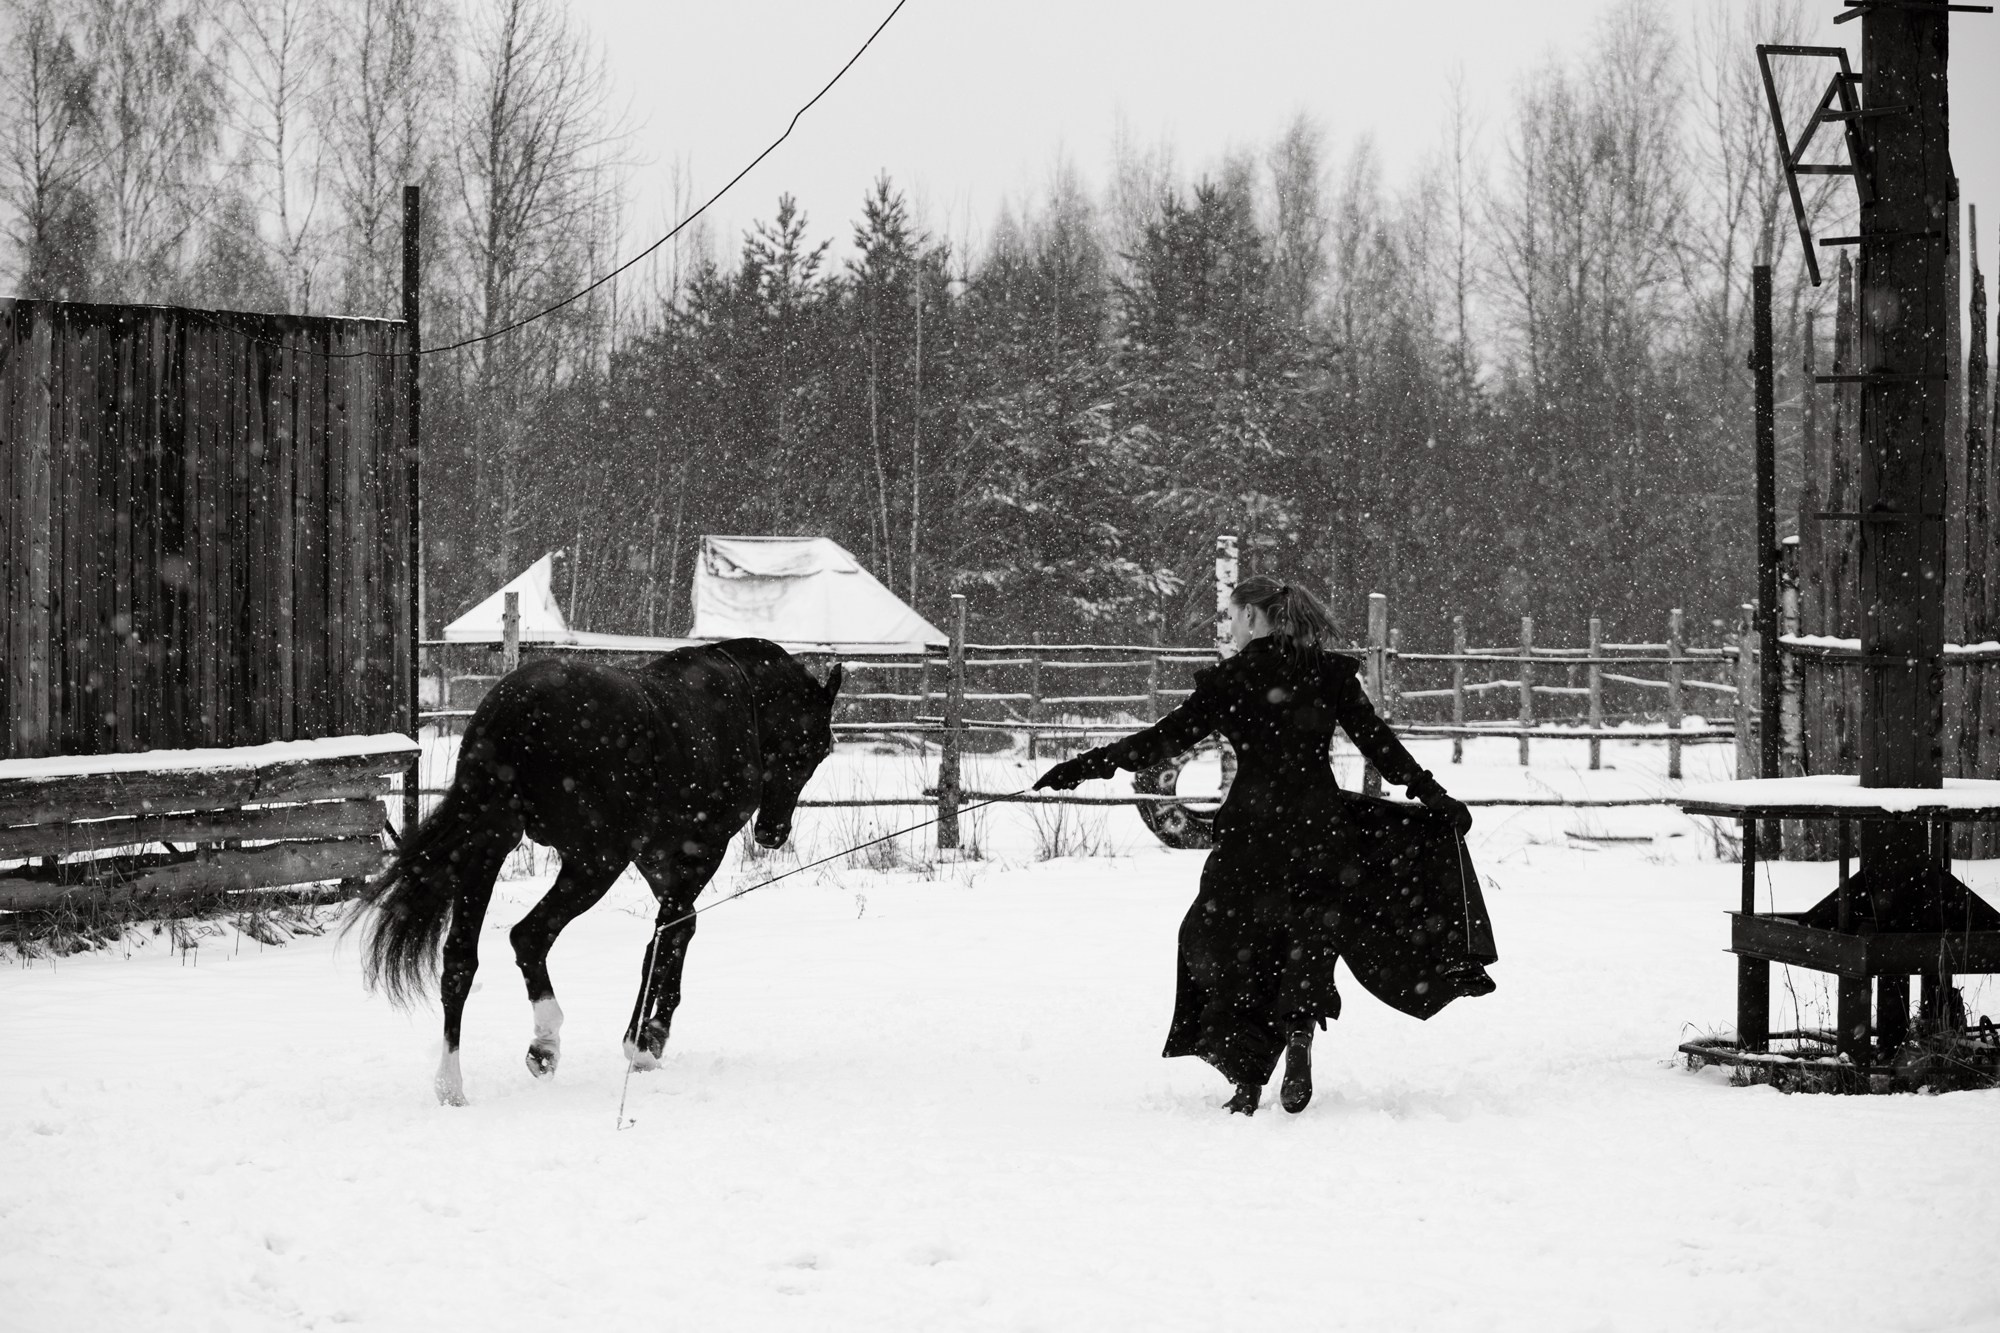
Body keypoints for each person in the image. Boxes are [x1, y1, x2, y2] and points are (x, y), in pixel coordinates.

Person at [1034, 576, 1494, 1116]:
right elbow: (1378, 742)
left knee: (1228, 943)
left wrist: (1084, 766)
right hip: (1319, 828)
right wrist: (1430, 792)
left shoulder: (1231, 679)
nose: (1226, 626)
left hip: (1251, 832)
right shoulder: (1327, 674)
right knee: (1306, 935)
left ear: (1255, 616)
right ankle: (1299, 1036)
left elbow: (1161, 740)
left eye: (1231, 616)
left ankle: (1247, 1078)